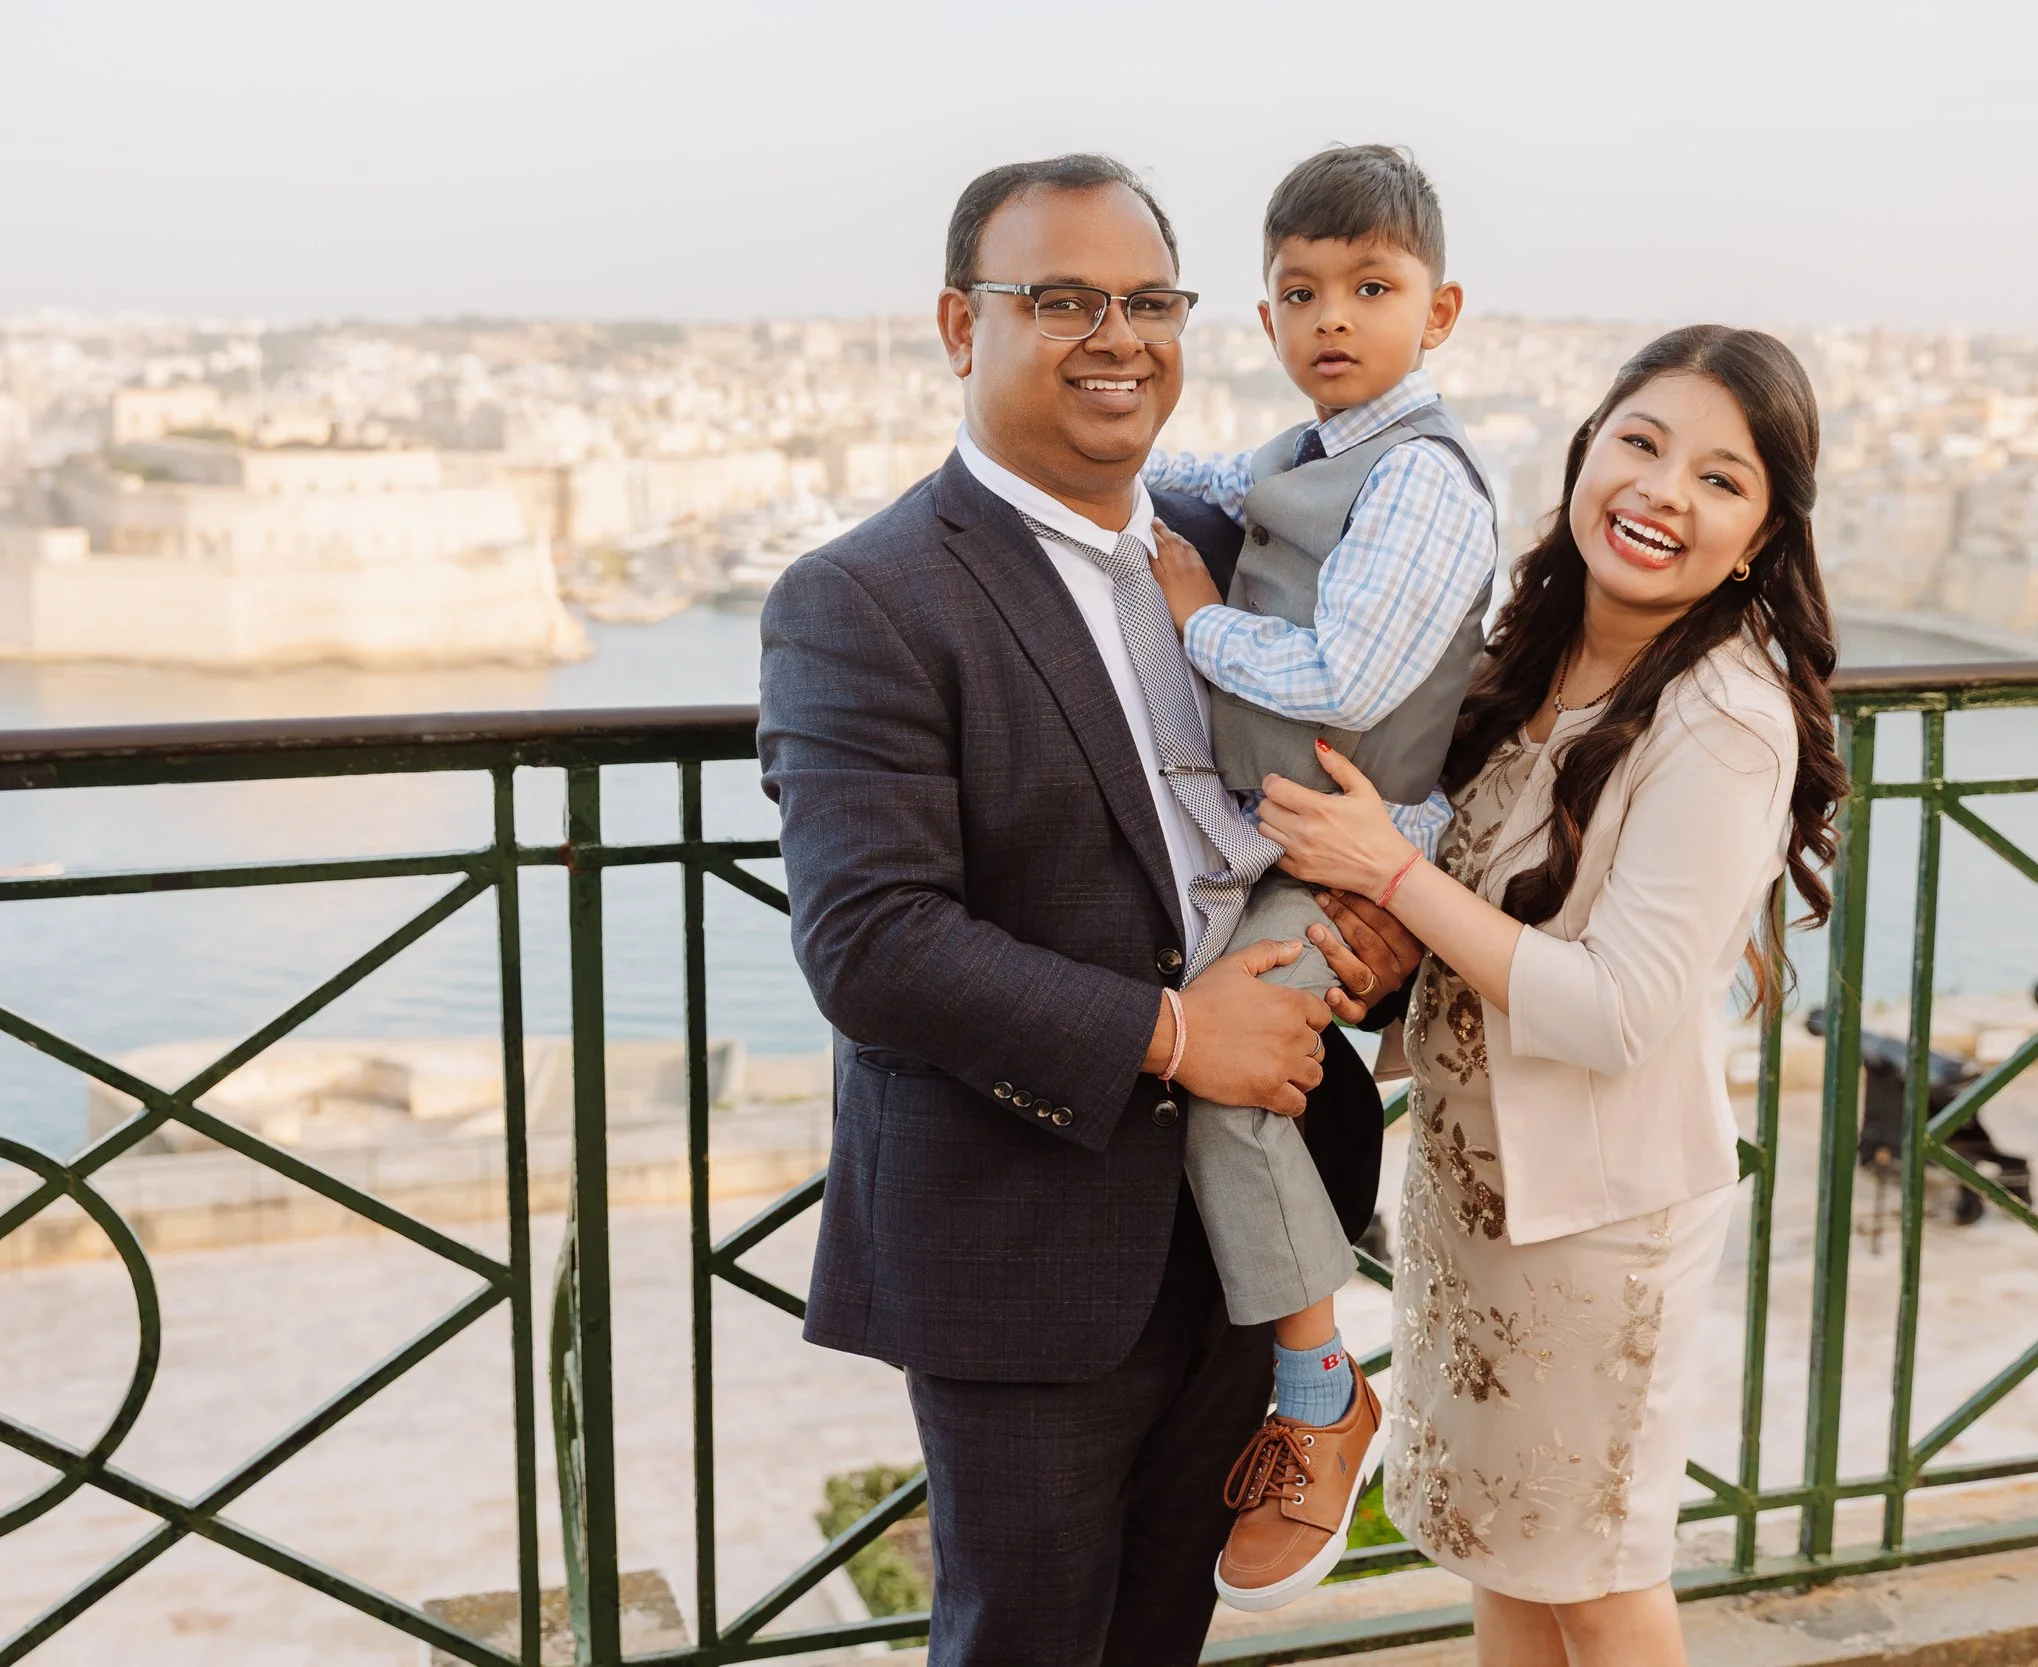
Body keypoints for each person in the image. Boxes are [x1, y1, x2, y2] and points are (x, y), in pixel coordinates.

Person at [757, 154, 1423, 1667]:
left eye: (1146, 300)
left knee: (1161, 1635)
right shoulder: (858, 598)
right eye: (1061, 299)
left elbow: (1344, 767)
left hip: (1250, 1216)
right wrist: (1182, 1032)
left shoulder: (1235, 543)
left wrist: (1372, 946)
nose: (1116, 335)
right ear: (958, 323)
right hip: (1027, 1236)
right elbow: (871, 940)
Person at [1256, 325, 1847, 1667]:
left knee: (1595, 1575)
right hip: (1472, 1202)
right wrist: (1383, 964)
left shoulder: (1725, 716)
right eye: (1640, 444)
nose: (1662, 493)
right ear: (1587, 455)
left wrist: (1393, 877)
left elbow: (1617, 1009)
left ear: (1758, 536)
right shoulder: (1527, 654)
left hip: (1598, 1227)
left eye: (1720, 478)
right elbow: (1475, 931)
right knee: (1501, 1554)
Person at [1136, 142, 1499, 1610]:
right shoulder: (1304, 453)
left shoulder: (1421, 483)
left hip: (1346, 854)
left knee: (1228, 1076)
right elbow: (1183, 473)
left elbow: (1347, 673)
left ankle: (1318, 1387)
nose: (1332, 317)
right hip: (1272, 844)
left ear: (1440, 309)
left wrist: (1195, 614)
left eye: (1370, 287)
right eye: (1299, 291)